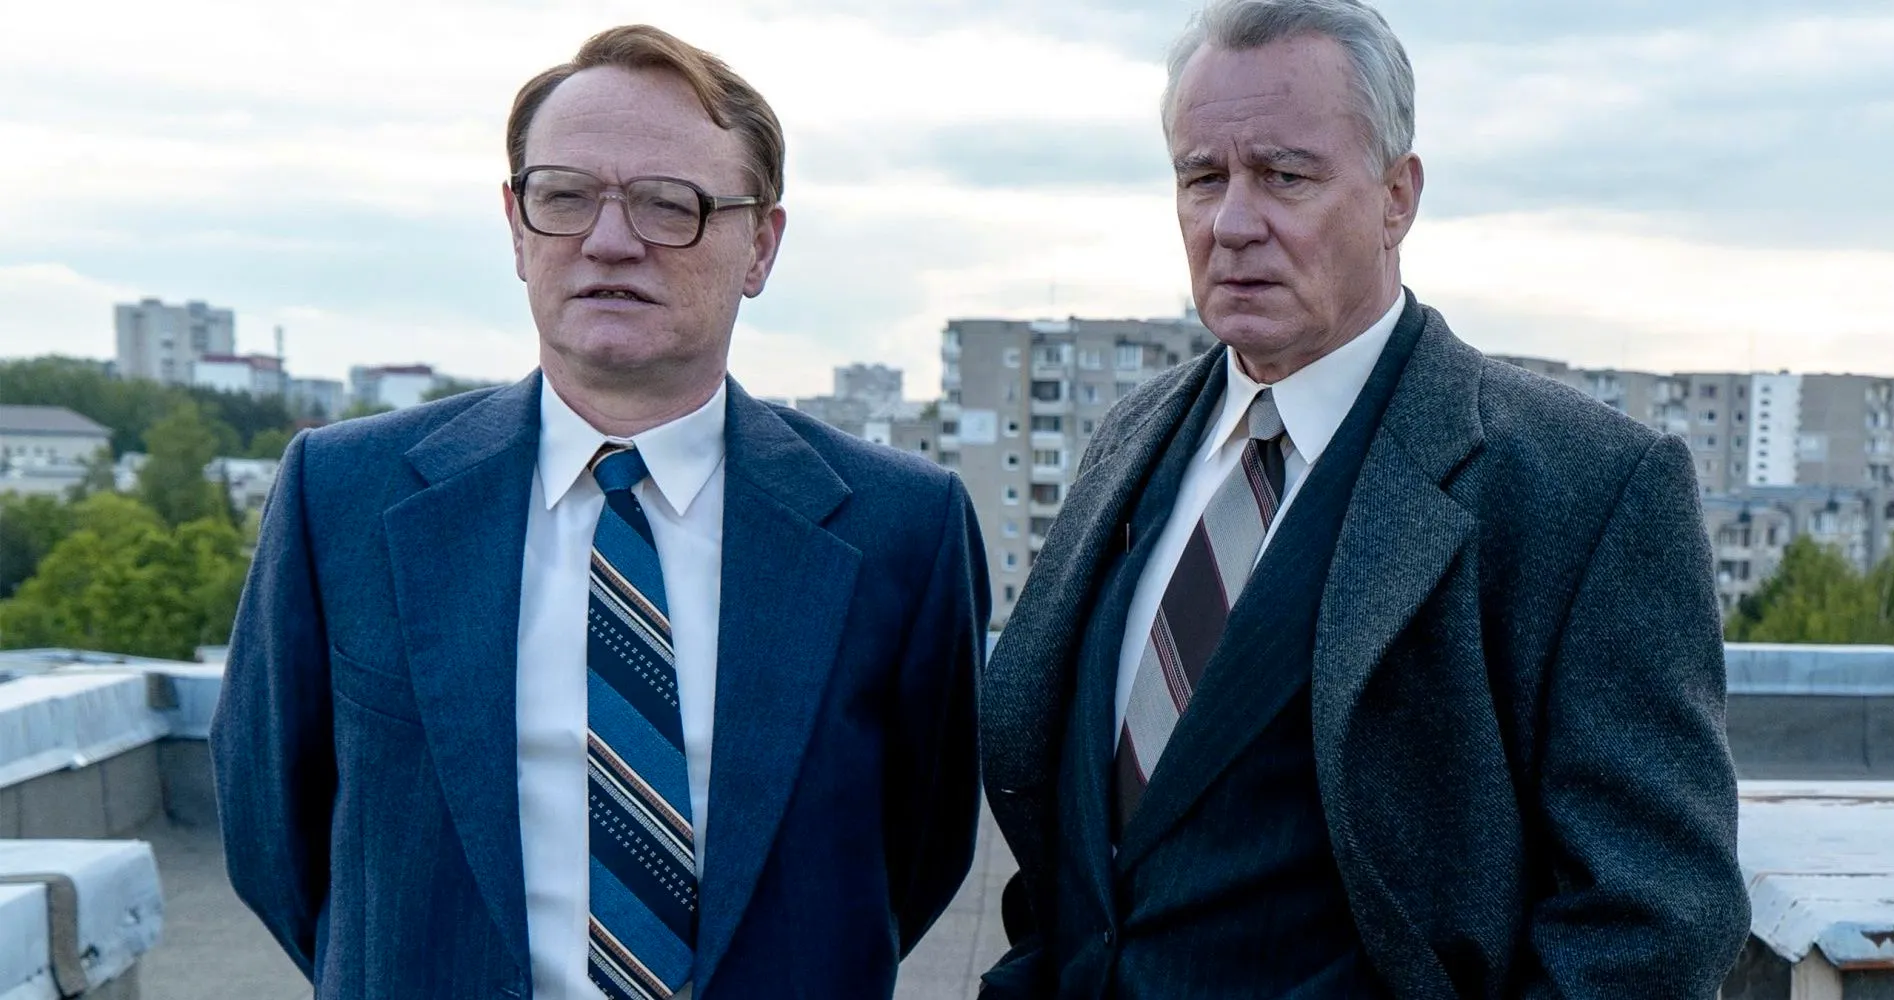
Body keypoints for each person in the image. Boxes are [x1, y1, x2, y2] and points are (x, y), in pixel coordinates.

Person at [978, 0, 1750, 996]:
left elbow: (1655, 917)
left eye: (1283, 175)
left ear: (1397, 196)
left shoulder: (1583, 488)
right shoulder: (1128, 442)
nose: (1231, 221)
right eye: (1199, 176)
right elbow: (1076, 846)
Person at [212, 25, 988, 1000]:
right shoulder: (345, 497)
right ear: (515, 224)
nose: (610, 241)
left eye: (672, 205)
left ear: (761, 244)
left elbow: (917, 849)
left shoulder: (899, 529)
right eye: (566, 196)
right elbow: (270, 830)